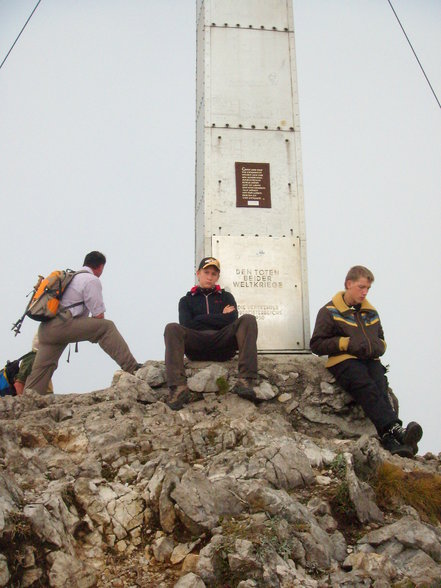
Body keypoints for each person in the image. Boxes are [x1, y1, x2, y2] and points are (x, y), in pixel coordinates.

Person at [310, 265, 423, 457]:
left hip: (371, 360)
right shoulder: (329, 311)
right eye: (361, 287)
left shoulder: (371, 313)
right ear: (349, 284)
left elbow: (381, 339)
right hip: (343, 362)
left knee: (380, 386)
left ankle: (392, 440)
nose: (365, 292)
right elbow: (317, 344)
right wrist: (346, 343)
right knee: (366, 387)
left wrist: (379, 347)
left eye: (368, 289)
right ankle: (397, 431)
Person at [25, 251, 141, 395]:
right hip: (63, 326)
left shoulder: (72, 278)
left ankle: (27, 400)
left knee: (41, 370)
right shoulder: (91, 280)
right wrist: (93, 333)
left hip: (46, 329)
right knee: (107, 327)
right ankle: (133, 368)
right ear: (100, 267)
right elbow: (99, 316)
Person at [164, 256, 258, 410]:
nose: (210, 277)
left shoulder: (226, 297)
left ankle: (246, 380)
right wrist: (221, 316)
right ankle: (178, 387)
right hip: (197, 344)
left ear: (218, 277)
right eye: (206, 272)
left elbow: (232, 318)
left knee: (248, 320)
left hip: (222, 343)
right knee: (172, 328)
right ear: (198, 273)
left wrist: (200, 319)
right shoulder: (186, 300)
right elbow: (187, 324)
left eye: (213, 274)